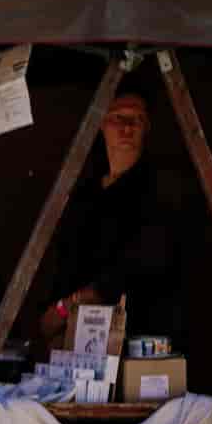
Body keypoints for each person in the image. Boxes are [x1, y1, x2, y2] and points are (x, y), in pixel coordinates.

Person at [38, 90, 183, 347]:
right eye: (118, 118)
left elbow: (140, 264)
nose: (126, 128)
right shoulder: (84, 195)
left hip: (137, 337)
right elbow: (66, 261)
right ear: (102, 125)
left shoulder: (158, 190)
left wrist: (69, 306)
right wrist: (57, 321)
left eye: (135, 120)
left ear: (146, 128)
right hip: (79, 340)